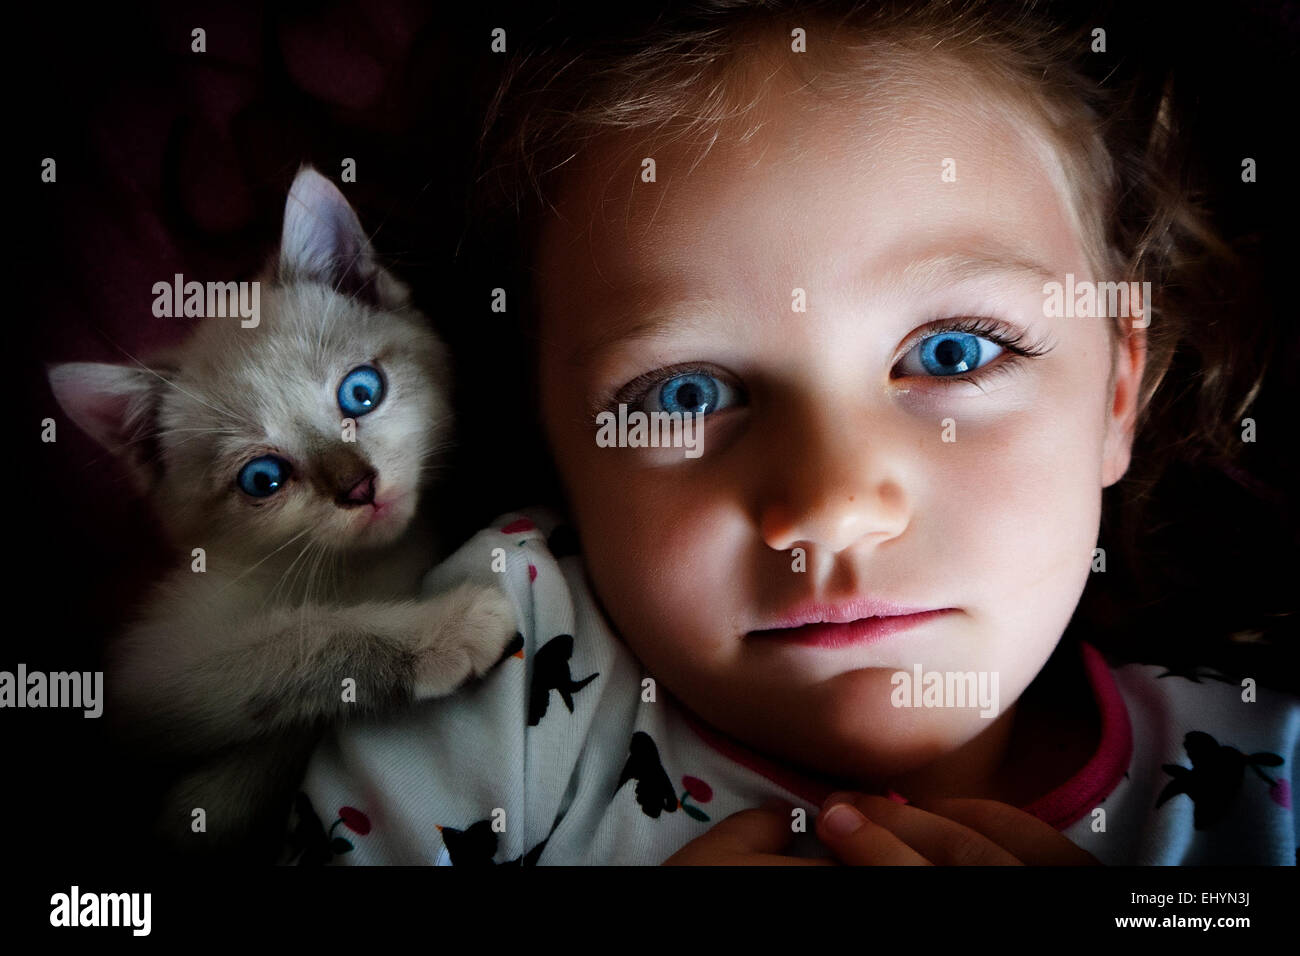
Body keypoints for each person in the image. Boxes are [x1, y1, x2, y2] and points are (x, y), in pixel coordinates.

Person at [284, 0, 1297, 865]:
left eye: (953, 353)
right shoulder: (490, 669)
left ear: (1118, 386)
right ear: (550, 430)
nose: (830, 504)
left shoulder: (1269, 767)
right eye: (685, 394)